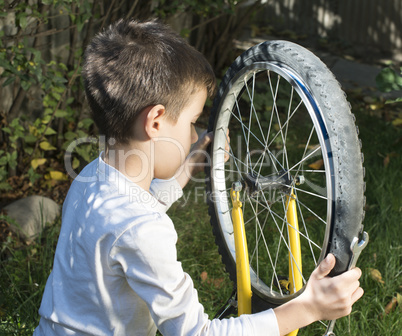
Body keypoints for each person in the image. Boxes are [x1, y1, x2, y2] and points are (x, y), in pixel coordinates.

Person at [34, 19, 363, 336]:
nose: (193, 135)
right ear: (156, 121)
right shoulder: (142, 231)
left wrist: (186, 168)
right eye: (191, 121)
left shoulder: (92, 177)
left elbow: (130, 217)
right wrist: (308, 308)